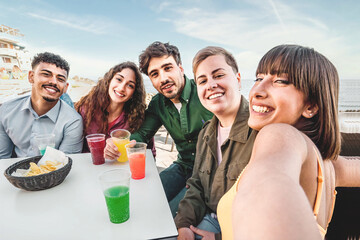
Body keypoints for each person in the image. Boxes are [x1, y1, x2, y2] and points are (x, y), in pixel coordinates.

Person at [217, 44, 360, 239]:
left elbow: (267, 186)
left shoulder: (279, 134)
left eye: (281, 81)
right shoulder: (332, 166)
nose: (257, 90)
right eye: (258, 78)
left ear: (311, 106)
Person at [104, 41, 213, 216]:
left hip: (211, 175)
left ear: (180, 68)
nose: (163, 78)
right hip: (183, 166)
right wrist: (118, 143)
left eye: (167, 68)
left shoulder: (205, 92)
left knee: (169, 216)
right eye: (154, 74)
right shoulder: (158, 104)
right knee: (143, 199)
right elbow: (142, 134)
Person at [174, 46, 257, 240]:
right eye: (202, 81)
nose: (210, 85)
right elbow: (197, 184)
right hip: (210, 218)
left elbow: (271, 209)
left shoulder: (261, 132)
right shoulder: (205, 133)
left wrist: (221, 238)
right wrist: (184, 224)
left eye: (218, 75)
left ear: (237, 79)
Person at [0, 52, 83, 158]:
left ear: (65, 87)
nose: (53, 82)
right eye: (46, 74)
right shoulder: (7, 110)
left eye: (60, 79)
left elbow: (65, 162)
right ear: (31, 77)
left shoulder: (73, 121)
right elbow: (2, 159)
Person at [75, 61, 154, 154]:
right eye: (119, 79)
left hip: (121, 167)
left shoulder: (138, 118)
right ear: (109, 80)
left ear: (134, 93)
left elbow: (150, 153)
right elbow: (75, 148)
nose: (121, 88)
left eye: (130, 85)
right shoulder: (85, 110)